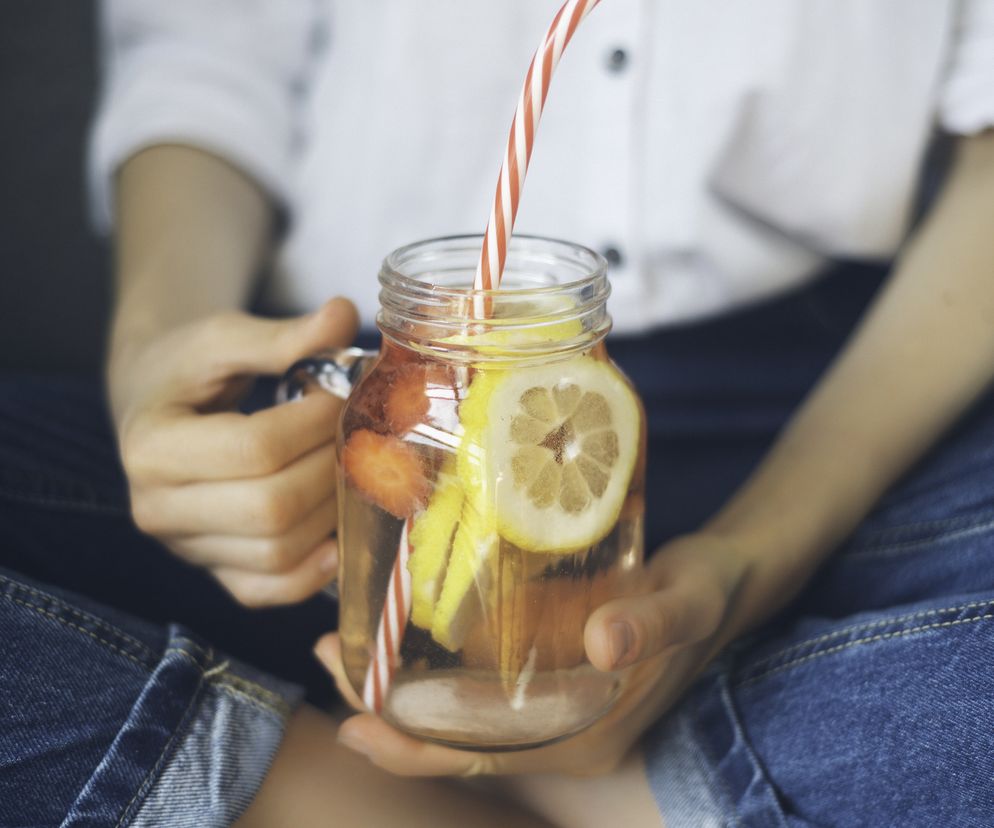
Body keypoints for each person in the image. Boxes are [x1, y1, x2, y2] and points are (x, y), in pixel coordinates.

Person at [3, 0, 993, 824]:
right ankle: (428, 798)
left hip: (838, 413)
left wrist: (748, 565)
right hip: (359, 412)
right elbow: (206, 53)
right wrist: (158, 370)